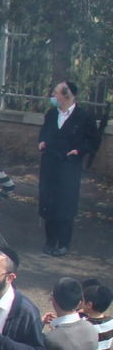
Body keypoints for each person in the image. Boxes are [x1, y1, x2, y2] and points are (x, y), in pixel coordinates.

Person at [37, 81, 101, 256]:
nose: (53, 96)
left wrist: (79, 150)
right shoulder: (51, 114)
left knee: (65, 204)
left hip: (69, 166)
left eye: (56, 93)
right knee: (49, 203)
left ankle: (63, 243)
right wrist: (41, 142)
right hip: (50, 164)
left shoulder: (83, 117)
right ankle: (50, 241)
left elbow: (93, 140)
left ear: (66, 95)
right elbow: (44, 132)